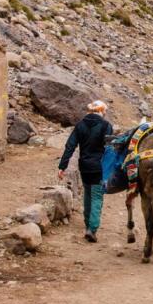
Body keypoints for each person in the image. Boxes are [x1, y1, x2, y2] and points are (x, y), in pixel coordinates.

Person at [58, 100, 113, 242]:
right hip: (98, 167)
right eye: (104, 112)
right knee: (97, 197)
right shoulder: (106, 126)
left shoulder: (80, 125)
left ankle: (88, 223)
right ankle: (92, 229)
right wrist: (110, 169)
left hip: (84, 166)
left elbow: (70, 146)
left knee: (88, 194)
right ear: (101, 111)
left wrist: (62, 167)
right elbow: (109, 149)